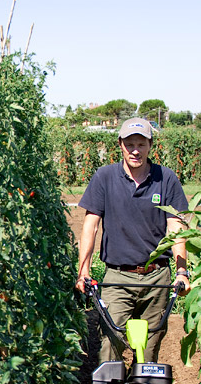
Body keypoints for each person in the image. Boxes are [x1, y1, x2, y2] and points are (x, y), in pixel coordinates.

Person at [75, 117, 190, 364]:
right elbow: (90, 226)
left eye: (141, 144)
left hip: (157, 277)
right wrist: (83, 271)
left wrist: (182, 272)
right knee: (110, 342)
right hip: (118, 277)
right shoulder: (105, 177)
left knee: (149, 349)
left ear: (150, 145)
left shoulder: (166, 178)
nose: (135, 150)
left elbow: (176, 227)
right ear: (120, 145)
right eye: (129, 144)